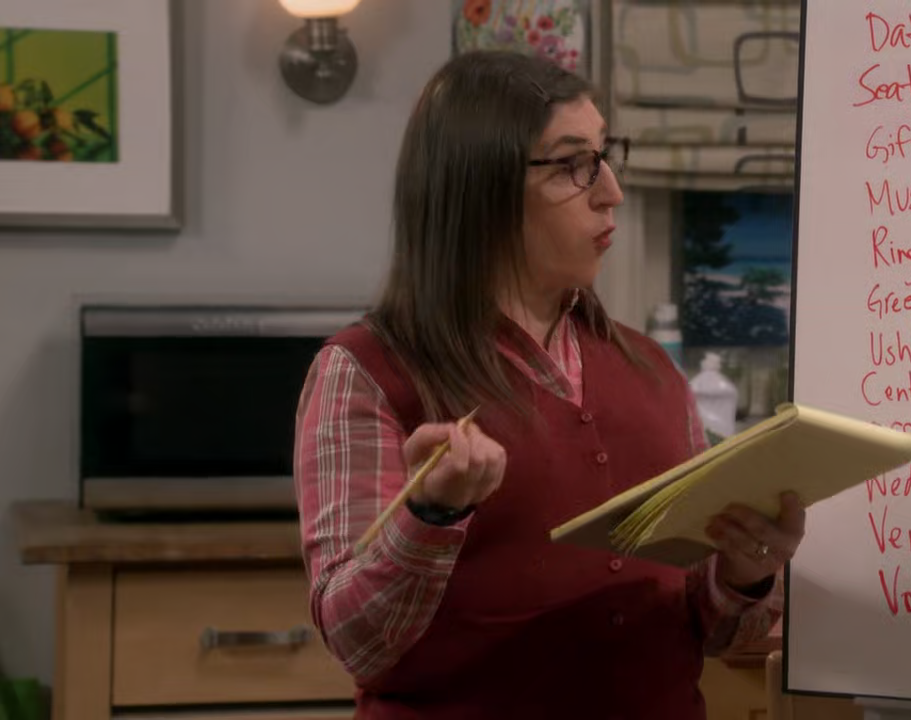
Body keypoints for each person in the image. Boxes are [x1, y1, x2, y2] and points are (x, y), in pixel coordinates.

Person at [292, 49, 806, 719]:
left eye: (605, 156)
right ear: (481, 190)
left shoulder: (652, 370)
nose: (611, 190)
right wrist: (432, 517)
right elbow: (357, 643)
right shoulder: (366, 371)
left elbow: (710, 630)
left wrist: (746, 572)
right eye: (573, 165)